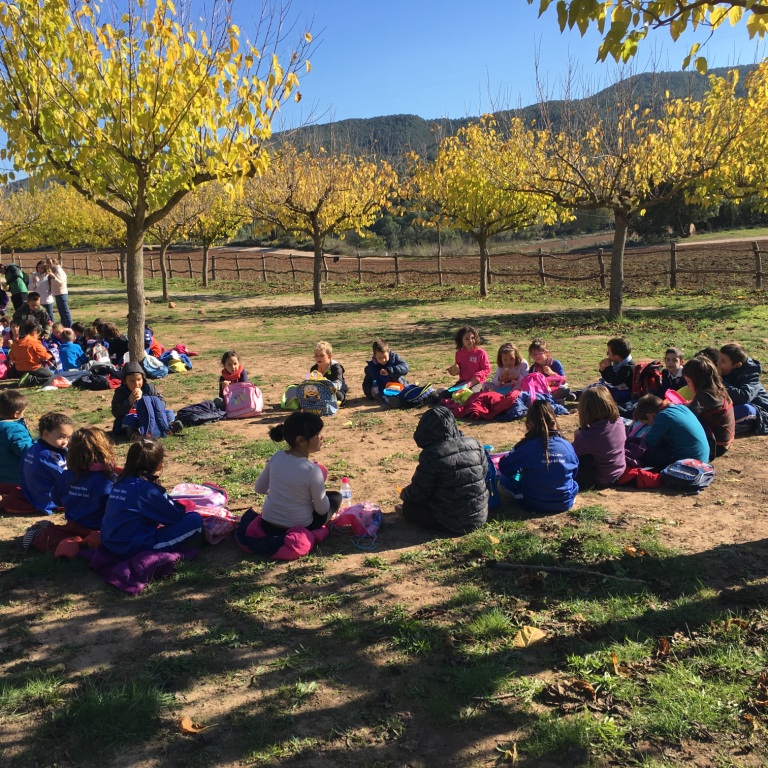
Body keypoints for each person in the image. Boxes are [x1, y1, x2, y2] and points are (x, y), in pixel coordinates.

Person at [101, 437, 203, 558]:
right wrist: (160, 492)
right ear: (159, 465)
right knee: (195, 519)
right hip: (132, 548)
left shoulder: (119, 482)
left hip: (110, 543)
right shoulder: (147, 489)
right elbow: (175, 516)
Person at [398, 406, 488, 533]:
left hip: (452, 522)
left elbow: (420, 492)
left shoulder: (432, 455)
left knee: (409, 508)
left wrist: (404, 494)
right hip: (480, 517)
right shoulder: (475, 445)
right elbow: (484, 474)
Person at [254, 412, 341, 532]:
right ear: (300, 440)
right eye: (317, 435)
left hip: (268, 524)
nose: (322, 437)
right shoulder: (312, 470)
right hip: (300, 526)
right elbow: (322, 510)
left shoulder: (277, 456)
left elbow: (259, 488)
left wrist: (283, 493)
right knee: (336, 497)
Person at [498, 400, 579, 513]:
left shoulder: (526, 447)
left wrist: (520, 471)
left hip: (533, 502)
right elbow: (574, 472)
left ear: (529, 424)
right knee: (570, 481)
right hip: (565, 502)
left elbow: (504, 468)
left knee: (506, 479)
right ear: (554, 423)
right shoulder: (567, 445)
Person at [52, 427, 118, 531]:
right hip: (99, 530)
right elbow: (117, 509)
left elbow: (56, 499)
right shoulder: (108, 481)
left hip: (73, 528)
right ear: (104, 450)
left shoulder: (66, 476)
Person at [572, 386, 626, 490]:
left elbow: (571, 455)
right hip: (619, 471)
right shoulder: (618, 422)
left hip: (601, 480)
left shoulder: (588, 437)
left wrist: (577, 436)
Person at [633, 394, 710, 468]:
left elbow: (649, 442)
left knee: (645, 453)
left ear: (649, 416)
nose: (649, 426)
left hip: (689, 461)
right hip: (702, 458)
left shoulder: (663, 416)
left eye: (646, 423)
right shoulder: (680, 407)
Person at [19, 412, 73, 515]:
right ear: (45, 434)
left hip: (31, 494)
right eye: (61, 437)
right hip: (47, 499)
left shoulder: (33, 448)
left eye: (68, 437)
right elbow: (66, 478)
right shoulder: (48, 455)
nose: (65, 442)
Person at [683, 356, 734, 457]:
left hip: (715, 446)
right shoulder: (718, 389)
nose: (687, 385)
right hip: (723, 442)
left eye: (688, 381)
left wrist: (671, 407)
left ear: (698, 381)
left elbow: (685, 415)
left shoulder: (705, 395)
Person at [110, 361, 177, 437]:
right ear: (125, 381)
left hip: (152, 415)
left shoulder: (149, 388)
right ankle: (136, 431)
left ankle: (170, 426)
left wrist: (149, 402)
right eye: (132, 381)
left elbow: (162, 403)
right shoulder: (120, 392)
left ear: (143, 378)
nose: (136, 384)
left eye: (139, 379)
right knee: (128, 419)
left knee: (169, 413)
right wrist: (129, 402)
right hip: (134, 416)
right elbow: (116, 412)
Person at [717, 343, 768, 435]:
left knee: (745, 409)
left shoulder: (752, 375)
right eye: (718, 359)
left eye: (723, 361)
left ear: (737, 365)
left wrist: (721, 382)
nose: (718, 363)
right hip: (733, 406)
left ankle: (740, 425)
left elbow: (742, 397)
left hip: (760, 410)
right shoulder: (725, 370)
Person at [0, 389, 36, 513]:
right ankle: (12, 502)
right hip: (14, 479)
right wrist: (41, 442)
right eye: (23, 412)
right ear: (16, 414)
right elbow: (27, 452)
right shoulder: (15, 430)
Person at [8, 321, 55, 386]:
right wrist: (53, 354)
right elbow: (45, 356)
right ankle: (30, 380)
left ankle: (27, 378)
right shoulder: (34, 342)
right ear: (34, 332)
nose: (38, 337)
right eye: (38, 335)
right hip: (33, 368)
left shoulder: (15, 343)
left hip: (19, 369)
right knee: (53, 377)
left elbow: (12, 357)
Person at [446, 325, 490, 393]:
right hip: (463, 383)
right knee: (446, 394)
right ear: (461, 340)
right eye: (467, 339)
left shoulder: (481, 353)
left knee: (470, 395)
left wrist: (477, 376)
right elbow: (458, 369)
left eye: (472, 338)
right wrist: (453, 371)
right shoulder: (458, 354)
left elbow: (487, 369)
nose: (470, 340)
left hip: (477, 383)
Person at [599, 336, 634, 403]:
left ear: (616, 356)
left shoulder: (628, 367)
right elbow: (609, 380)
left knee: (600, 391)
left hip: (625, 394)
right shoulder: (617, 363)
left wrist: (609, 367)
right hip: (618, 389)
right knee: (597, 387)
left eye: (608, 353)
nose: (607, 355)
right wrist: (603, 370)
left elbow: (614, 382)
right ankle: (579, 394)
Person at [45, 256, 73, 328]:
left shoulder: (58, 271)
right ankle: (64, 327)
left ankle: (70, 328)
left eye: (49, 263)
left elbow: (61, 282)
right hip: (57, 294)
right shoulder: (54, 270)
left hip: (61, 293)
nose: (48, 265)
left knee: (65, 312)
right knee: (62, 313)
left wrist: (53, 277)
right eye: (47, 263)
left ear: (54, 263)